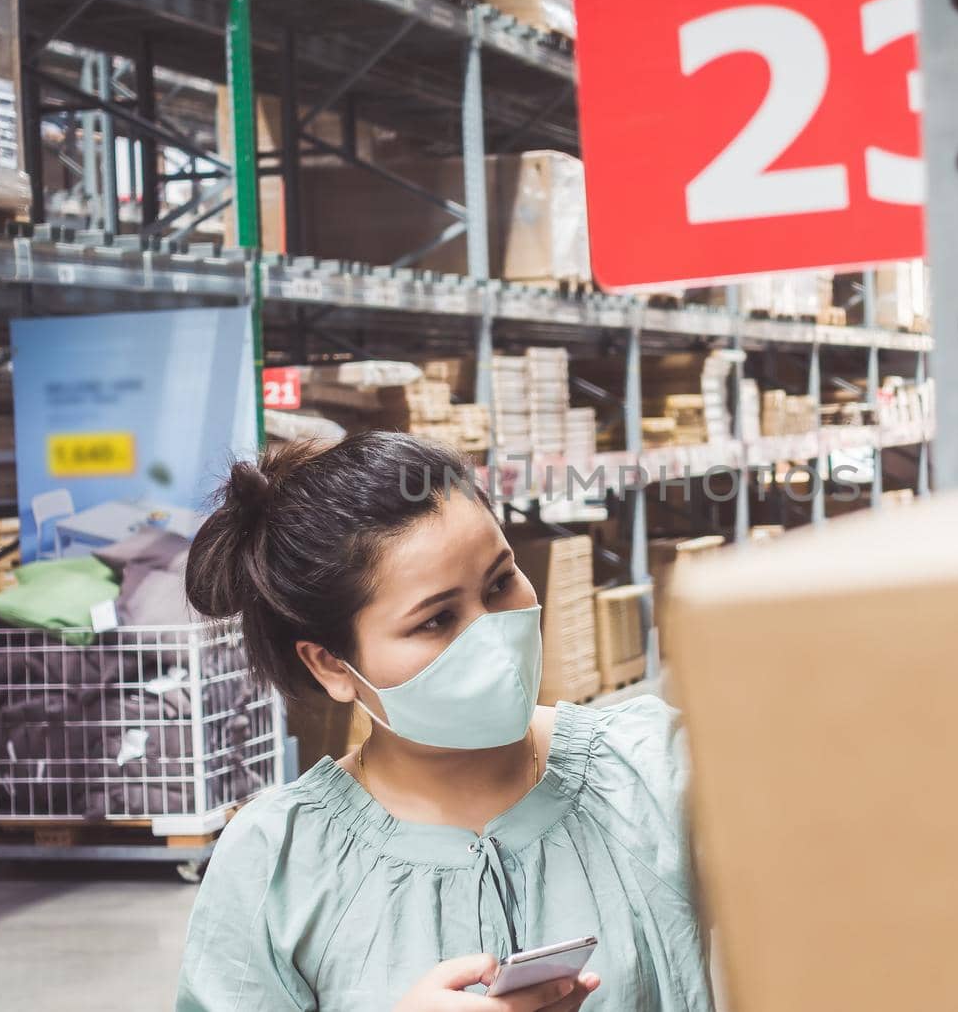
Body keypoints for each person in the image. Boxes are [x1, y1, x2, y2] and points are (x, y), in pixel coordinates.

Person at [174, 432, 714, 1012]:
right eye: (436, 620)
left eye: (500, 582)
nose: (493, 633)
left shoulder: (654, 770)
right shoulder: (275, 864)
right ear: (332, 664)